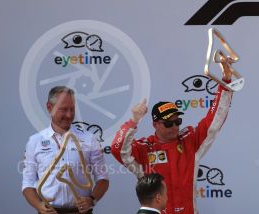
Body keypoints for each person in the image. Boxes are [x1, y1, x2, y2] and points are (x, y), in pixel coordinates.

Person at [111, 65, 233, 213]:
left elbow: (214, 121)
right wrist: (133, 121)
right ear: (155, 124)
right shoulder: (144, 149)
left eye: (177, 122)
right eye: (168, 123)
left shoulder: (189, 141)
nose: (174, 127)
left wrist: (225, 82)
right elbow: (117, 149)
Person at [22, 86, 109, 214]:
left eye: (72, 109)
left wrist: (91, 199)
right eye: (63, 109)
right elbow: (28, 183)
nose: (69, 115)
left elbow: (103, 179)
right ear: (49, 107)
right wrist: (39, 206)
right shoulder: (35, 141)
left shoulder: (89, 139)